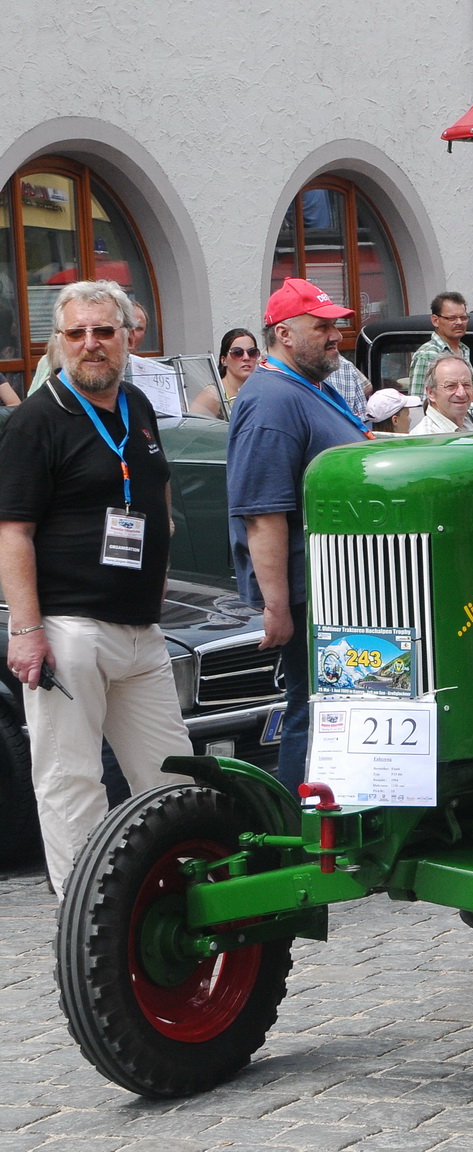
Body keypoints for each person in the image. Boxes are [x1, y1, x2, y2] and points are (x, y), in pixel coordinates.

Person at [0, 280, 193, 897]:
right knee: (71, 780)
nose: (90, 344)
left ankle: (178, 897)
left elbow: (153, 489)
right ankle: (89, 921)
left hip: (140, 631)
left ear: (127, 338)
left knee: (175, 779)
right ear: (59, 342)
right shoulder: (36, 420)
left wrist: (157, 566)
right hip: (68, 632)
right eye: (77, 333)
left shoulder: (135, 404)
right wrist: (27, 631)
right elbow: (13, 532)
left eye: (103, 332)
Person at [227, 277, 373, 787]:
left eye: (336, 324)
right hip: (314, 598)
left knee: (343, 711)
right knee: (314, 715)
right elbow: (263, 515)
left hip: (340, 592)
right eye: (322, 326)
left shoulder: (308, 385)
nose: (336, 334)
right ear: (284, 333)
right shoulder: (270, 400)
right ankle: (299, 838)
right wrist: (277, 608)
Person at [408, 292, 472, 396]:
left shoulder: (464, 350)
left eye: (463, 318)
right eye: (452, 318)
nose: (459, 322)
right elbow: (418, 401)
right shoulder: (427, 354)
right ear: (435, 320)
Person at [191, 328, 260, 418]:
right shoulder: (213, 395)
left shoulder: (259, 389)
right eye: (237, 352)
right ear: (224, 360)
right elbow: (192, 428)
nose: (246, 358)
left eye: (252, 352)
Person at [410, 355, 473, 434]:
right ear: (431, 393)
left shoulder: (470, 424)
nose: (462, 393)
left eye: (466, 385)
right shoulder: (427, 438)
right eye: (451, 386)